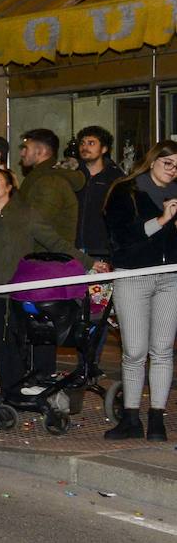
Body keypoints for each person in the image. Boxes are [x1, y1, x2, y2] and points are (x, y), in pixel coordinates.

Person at [0, 166, 95, 395]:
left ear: (10, 186)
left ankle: (27, 385)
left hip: (21, 289)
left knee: (22, 339)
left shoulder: (26, 213)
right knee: (0, 342)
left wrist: (87, 262)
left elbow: (55, 242)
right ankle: (8, 390)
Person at [102, 141, 177, 441]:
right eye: (168, 163)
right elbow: (120, 239)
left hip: (170, 276)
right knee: (134, 351)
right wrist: (161, 221)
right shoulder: (126, 191)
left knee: (162, 351)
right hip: (133, 276)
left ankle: (156, 418)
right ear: (153, 161)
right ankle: (131, 417)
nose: (173, 170)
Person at [18, 128, 84, 244]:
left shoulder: (51, 182)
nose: (22, 153)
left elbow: (37, 222)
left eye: (25, 148)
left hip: (45, 257)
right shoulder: (39, 177)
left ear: (41, 151)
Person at [75, 125, 124, 261]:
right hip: (73, 250)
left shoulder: (115, 179)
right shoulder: (71, 175)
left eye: (91, 143)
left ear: (104, 149)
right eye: (82, 143)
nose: (85, 147)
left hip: (104, 251)